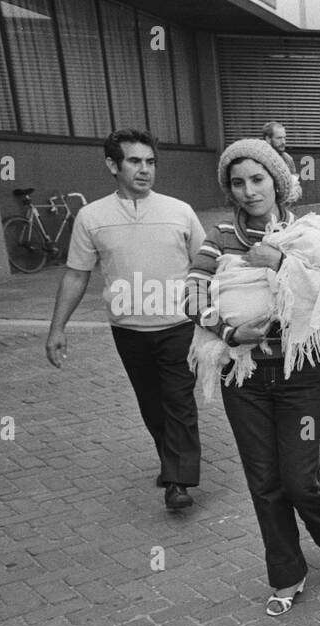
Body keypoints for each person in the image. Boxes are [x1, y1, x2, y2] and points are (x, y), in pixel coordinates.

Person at [184, 138, 320, 616]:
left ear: (277, 182)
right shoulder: (217, 236)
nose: (248, 191)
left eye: (257, 179)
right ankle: (286, 573)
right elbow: (192, 299)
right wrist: (229, 330)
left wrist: (279, 262)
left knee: (299, 478)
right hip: (244, 375)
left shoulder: (309, 233)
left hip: (300, 374)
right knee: (264, 481)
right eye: (237, 183)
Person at [46, 129, 205, 512]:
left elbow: (206, 264)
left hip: (178, 325)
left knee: (179, 399)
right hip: (129, 330)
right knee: (151, 403)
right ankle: (170, 460)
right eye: (135, 161)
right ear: (112, 165)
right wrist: (57, 328)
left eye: (150, 162)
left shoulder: (179, 211)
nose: (145, 169)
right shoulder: (92, 217)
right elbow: (76, 274)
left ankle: (179, 480)